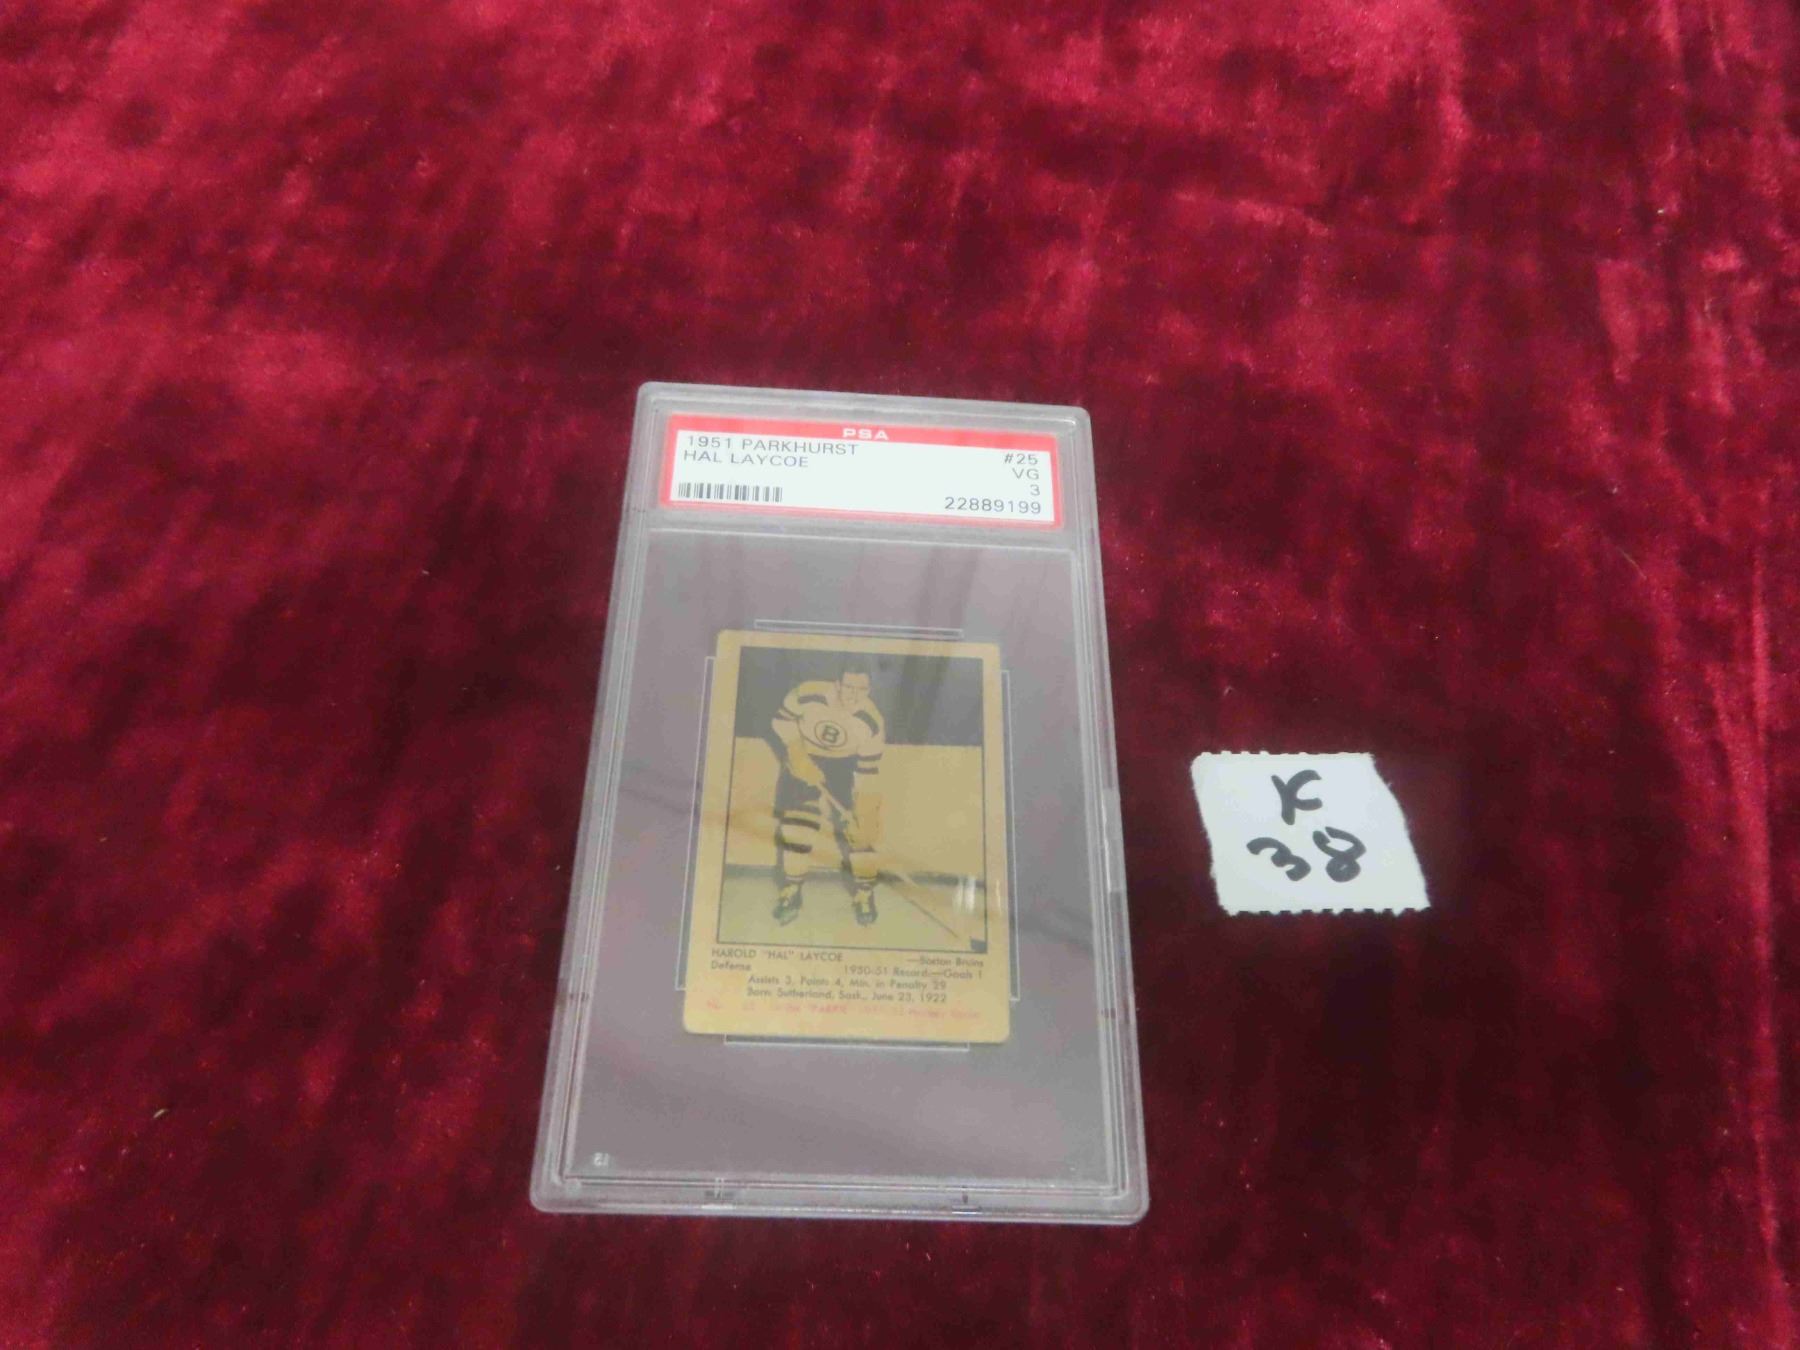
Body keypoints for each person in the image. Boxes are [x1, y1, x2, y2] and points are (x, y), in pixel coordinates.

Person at [769, 668, 885, 925]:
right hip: (804, 755)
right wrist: (797, 752)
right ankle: (792, 891)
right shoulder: (808, 693)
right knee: (797, 826)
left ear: (869, 690)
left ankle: (865, 893)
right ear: (837, 684)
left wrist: (863, 812)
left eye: (861, 689)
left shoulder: (872, 722)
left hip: (844, 766)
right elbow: (780, 721)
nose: (854, 695)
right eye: (849, 687)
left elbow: (867, 773)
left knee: (861, 831)